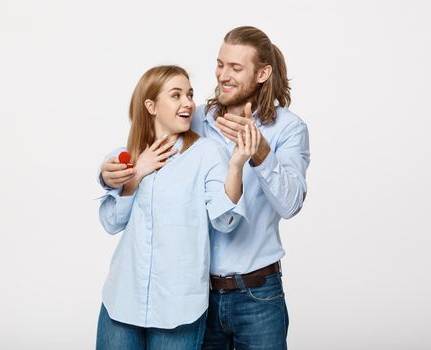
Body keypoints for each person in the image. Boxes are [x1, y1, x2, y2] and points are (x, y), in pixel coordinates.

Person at [100, 26, 310, 349]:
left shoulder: (288, 128)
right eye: (220, 64)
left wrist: (259, 153)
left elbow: (292, 203)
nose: (223, 75)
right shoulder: (194, 118)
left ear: (263, 73)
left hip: (257, 293)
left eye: (236, 68)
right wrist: (110, 174)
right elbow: (143, 144)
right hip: (199, 296)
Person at [96, 65, 259, 350]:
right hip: (122, 301)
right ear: (151, 106)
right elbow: (112, 222)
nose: (187, 103)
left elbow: (225, 221)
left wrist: (236, 165)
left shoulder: (207, 153)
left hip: (178, 309)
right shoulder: (128, 154)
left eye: (189, 94)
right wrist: (136, 174)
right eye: (176, 95)